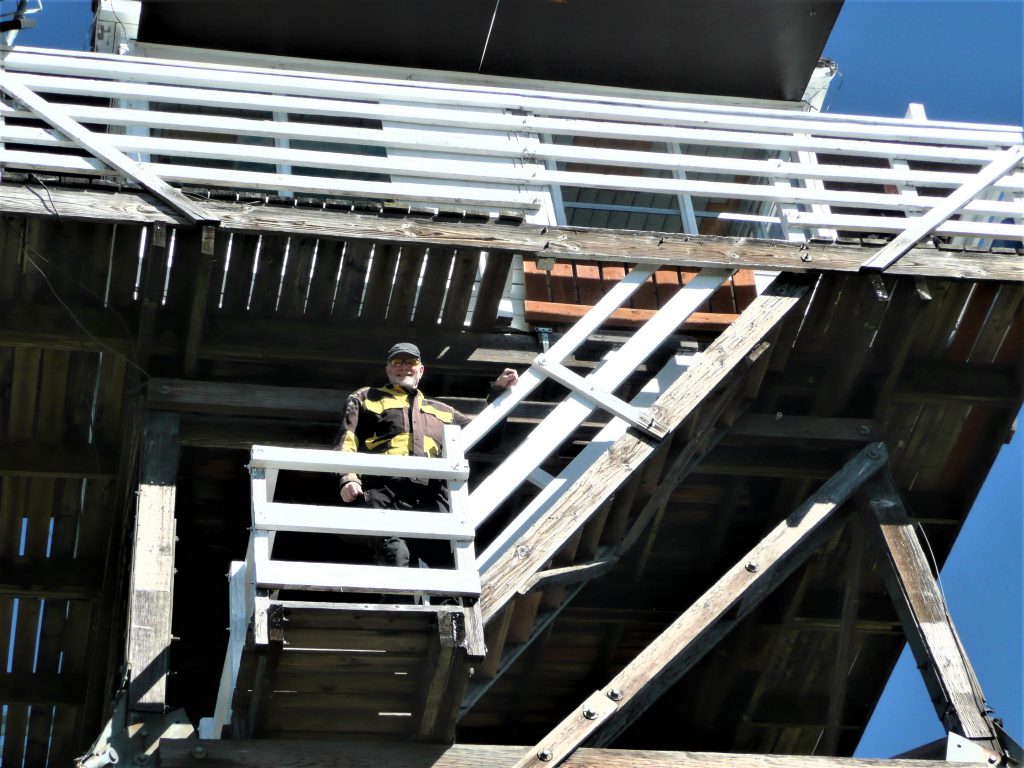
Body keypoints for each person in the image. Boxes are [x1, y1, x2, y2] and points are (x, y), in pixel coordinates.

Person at [333, 341, 518, 568]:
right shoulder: (365, 397)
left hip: (432, 493)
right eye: (397, 362)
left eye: (411, 362)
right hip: (385, 488)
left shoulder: (443, 411)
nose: (404, 367)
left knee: (443, 565)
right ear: (388, 369)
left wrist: (498, 391)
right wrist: (348, 477)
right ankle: (398, 601)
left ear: (421, 370)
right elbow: (347, 439)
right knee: (395, 556)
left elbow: (485, 438)